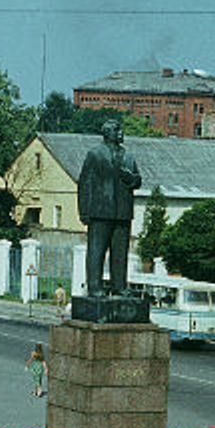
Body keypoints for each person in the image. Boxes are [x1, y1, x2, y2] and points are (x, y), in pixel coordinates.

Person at [77, 119, 142, 297]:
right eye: (117, 130)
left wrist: (131, 178)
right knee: (96, 252)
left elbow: (138, 181)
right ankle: (95, 287)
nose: (121, 133)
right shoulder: (95, 154)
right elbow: (85, 183)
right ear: (107, 133)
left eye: (121, 130)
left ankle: (119, 286)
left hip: (122, 212)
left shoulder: (128, 156)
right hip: (100, 211)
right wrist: (84, 211)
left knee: (120, 253)